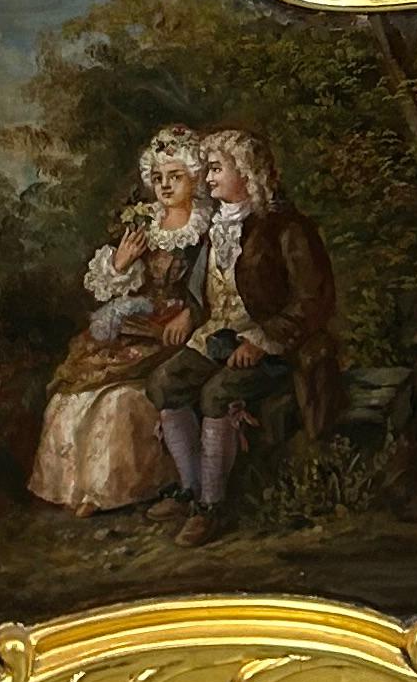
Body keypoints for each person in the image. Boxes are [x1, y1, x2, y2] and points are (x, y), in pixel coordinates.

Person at [142, 124, 343, 542]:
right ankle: (191, 489)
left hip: (278, 347)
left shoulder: (285, 228)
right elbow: (210, 289)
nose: (208, 177)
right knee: (164, 382)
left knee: (217, 393)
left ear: (247, 173)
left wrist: (263, 339)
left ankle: (213, 508)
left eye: (216, 169)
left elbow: (313, 299)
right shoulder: (216, 225)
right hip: (217, 335)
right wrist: (190, 315)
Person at [27, 128, 206, 515]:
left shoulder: (208, 227)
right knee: (71, 396)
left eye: (175, 177)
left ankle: (107, 491)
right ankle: (76, 489)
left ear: (195, 176)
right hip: (138, 326)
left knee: (119, 401)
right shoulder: (144, 224)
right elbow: (108, 287)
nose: (165, 186)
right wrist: (120, 264)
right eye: (158, 178)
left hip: (176, 334)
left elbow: (219, 285)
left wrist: (190, 313)